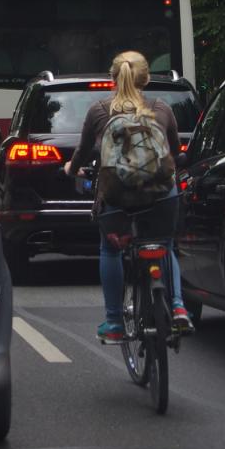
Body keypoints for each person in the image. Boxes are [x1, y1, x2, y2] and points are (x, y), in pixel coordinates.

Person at [63, 50, 192, 343]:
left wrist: (71, 169)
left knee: (110, 250)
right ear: (146, 79)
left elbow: (82, 151)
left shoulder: (98, 111)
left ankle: (114, 322)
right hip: (161, 197)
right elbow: (174, 154)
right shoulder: (162, 109)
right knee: (166, 244)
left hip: (116, 198)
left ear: (113, 78)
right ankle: (178, 307)